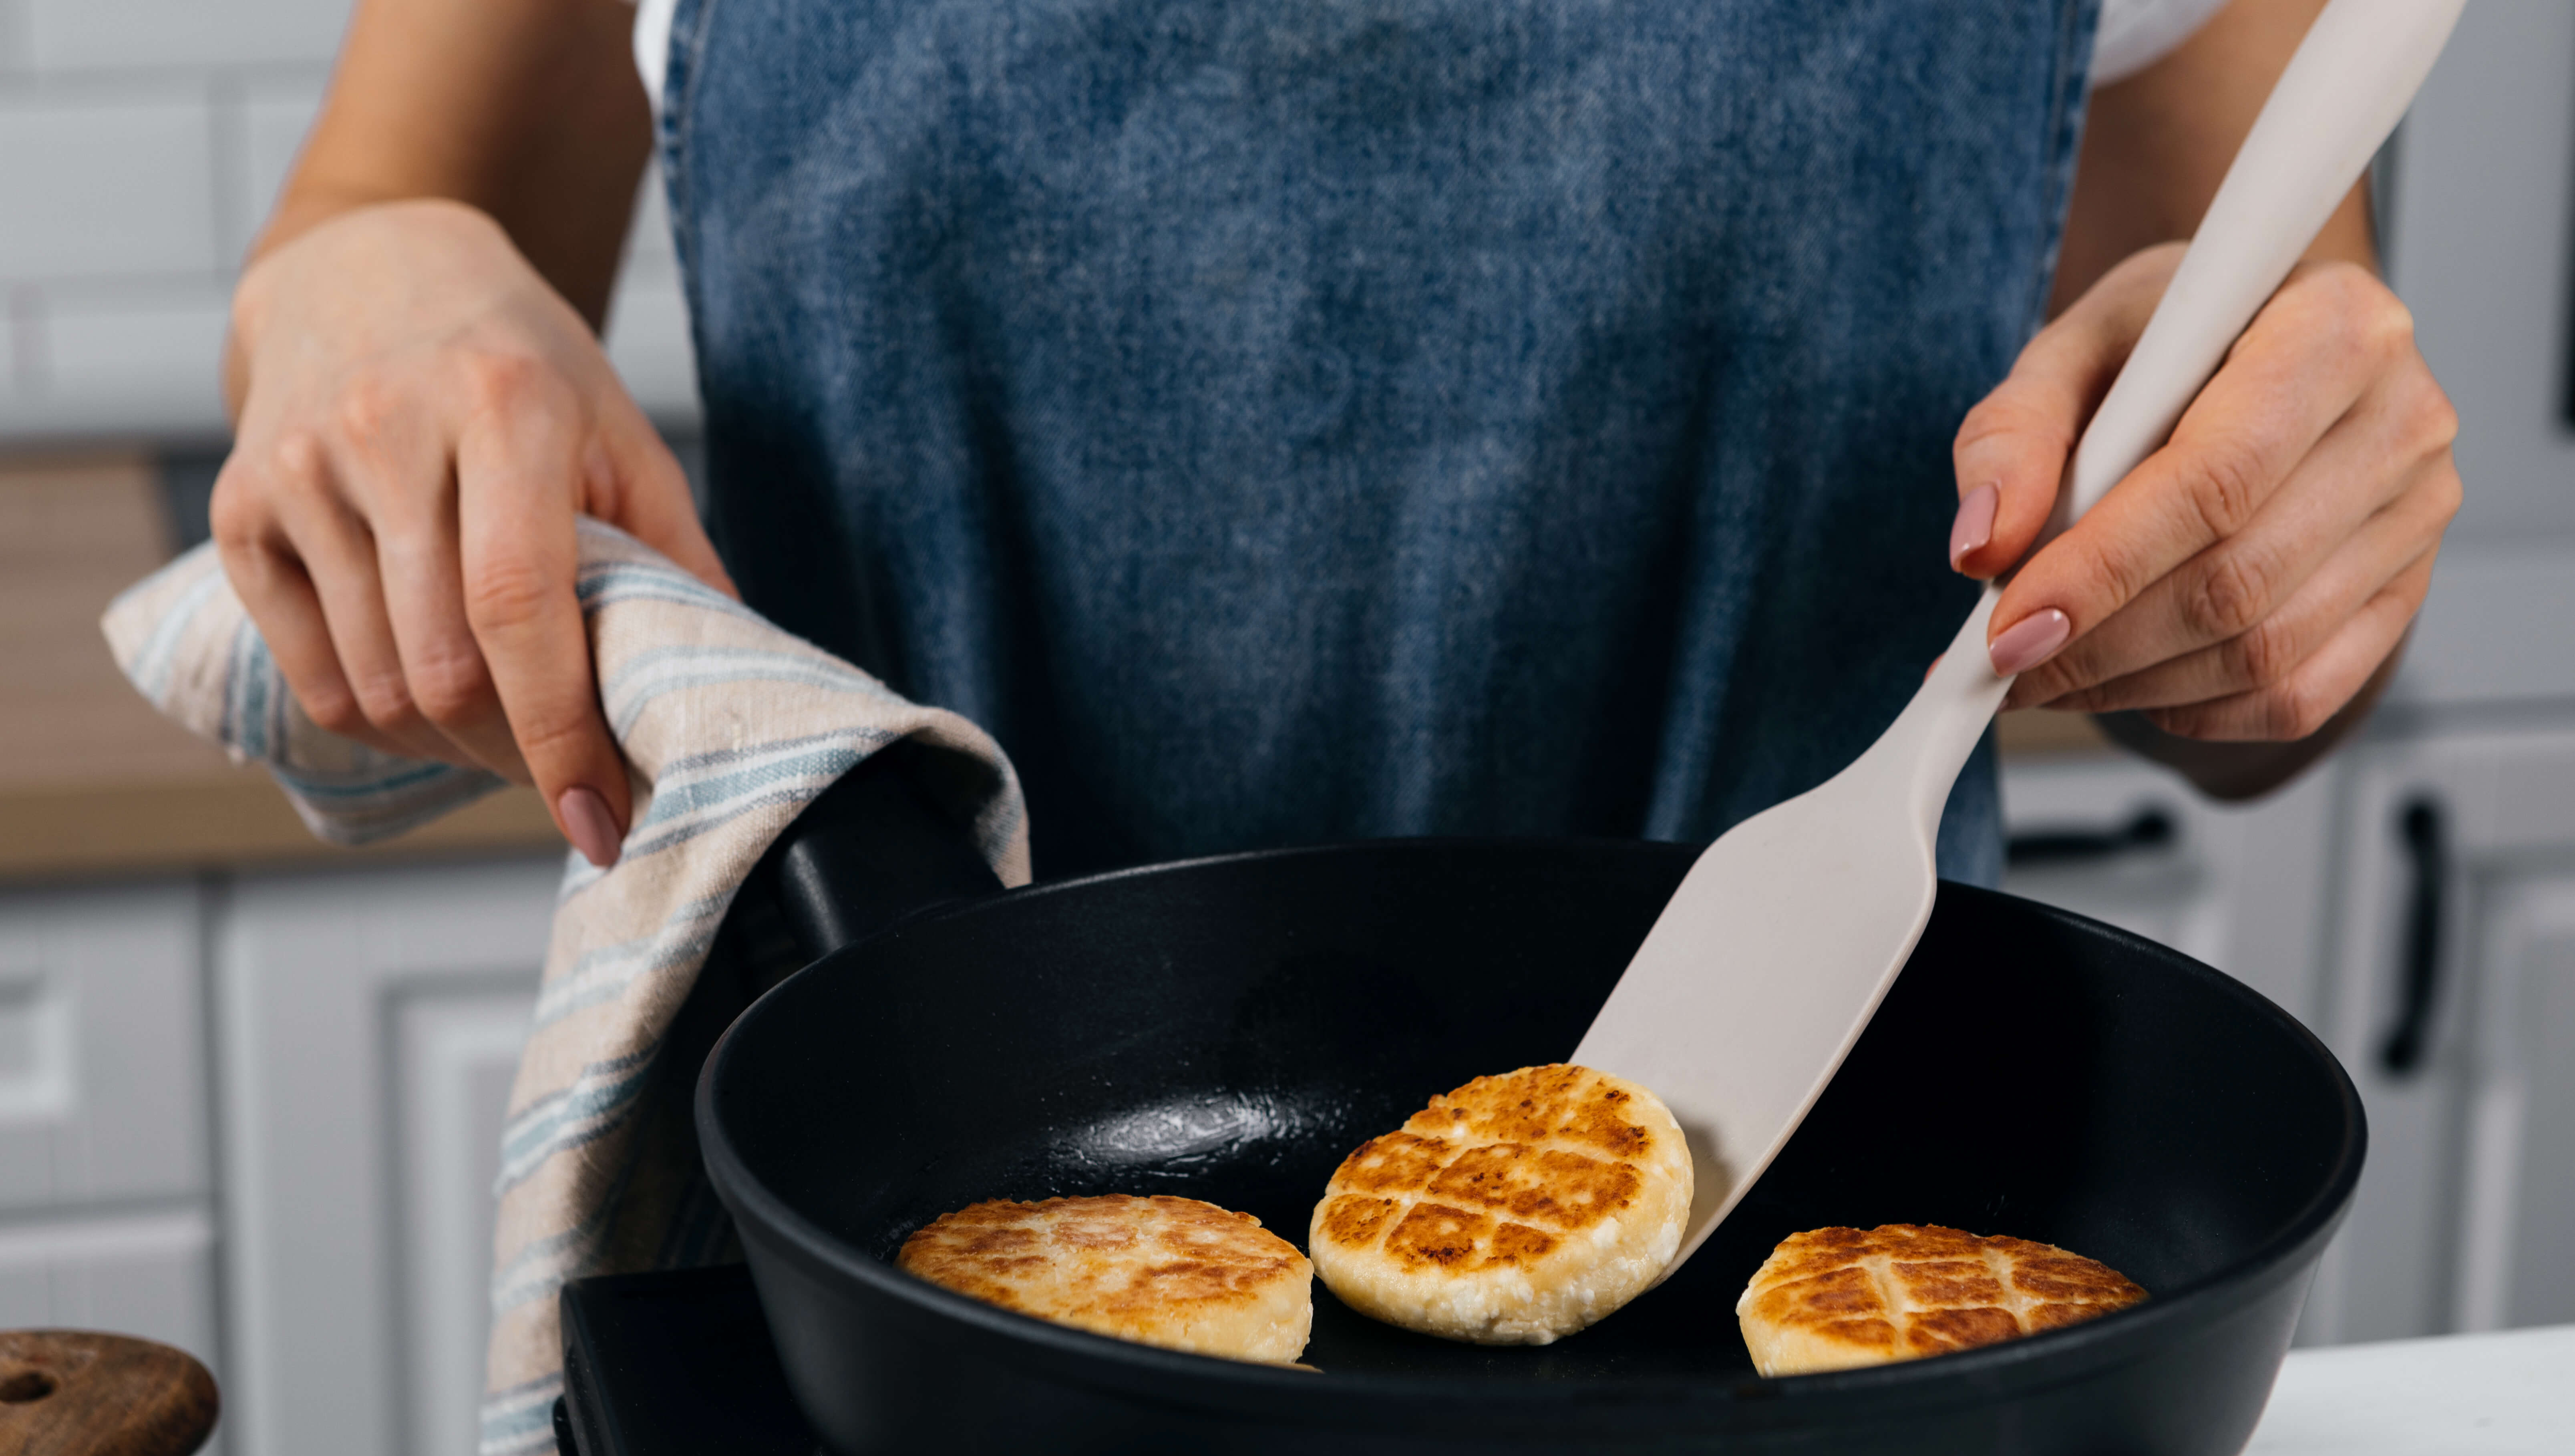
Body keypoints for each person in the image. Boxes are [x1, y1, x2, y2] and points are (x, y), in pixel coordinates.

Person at [211, 0, 2457, 887]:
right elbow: (376, 251)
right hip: (879, 1302)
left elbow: (2258, 662)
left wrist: (2285, 539)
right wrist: (360, 293)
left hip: (1829, 1332)